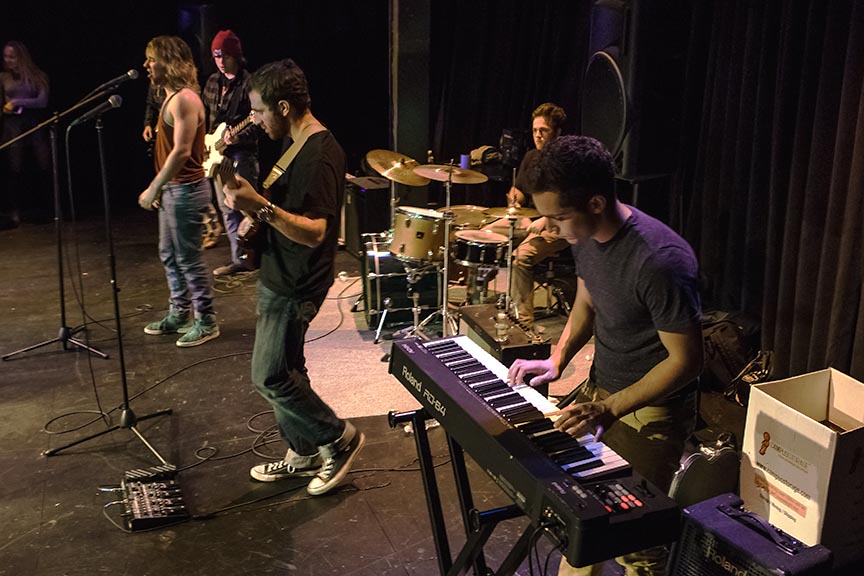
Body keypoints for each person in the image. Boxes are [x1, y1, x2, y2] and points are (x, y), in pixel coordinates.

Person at [507, 136, 703, 576]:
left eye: (558, 217)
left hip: (651, 412)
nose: (548, 228)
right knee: (583, 518)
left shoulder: (660, 261)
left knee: (636, 543)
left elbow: (687, 361)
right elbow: (588, 299)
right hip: (602, 390)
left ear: (596, 203)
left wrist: (610, 408)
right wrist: (558, 359)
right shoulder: (584, 235)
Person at [222, 59, 364, 496]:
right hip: (279, 271)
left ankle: (339, 439)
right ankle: (303, 453)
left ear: (283, 107)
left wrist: (260, 208)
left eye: (260, 111)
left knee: (270, 376)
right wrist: (254, 210)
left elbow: (316, 231)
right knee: (289, 369)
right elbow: (287, 205)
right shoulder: (295, 144)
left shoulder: (320, 154)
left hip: (297, 281)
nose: (255, 121)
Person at [138, 35, 219, 347]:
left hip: (186, 190)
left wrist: (153, 187)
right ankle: (180, 312)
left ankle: (206, 321)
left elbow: (182, 152)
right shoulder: (171, 97)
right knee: (170, 255)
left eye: (152, 59)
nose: (146, 65)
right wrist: (162, 187)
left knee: (188, 259)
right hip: (174, 190)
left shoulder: (185, 99)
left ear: (169, 62)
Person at [484, 102, 570, 328]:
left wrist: (545, 219)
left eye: (544, 130)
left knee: (520, 258)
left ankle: (524, 324)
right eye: (534, 130)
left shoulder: (567, 161)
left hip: (558, 225)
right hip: (529, 220)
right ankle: (477, 302)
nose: (538, 135)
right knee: (483, 236)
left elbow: (570, 202)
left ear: (557, 133)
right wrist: (515, 203)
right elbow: (519, 189)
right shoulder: (531, 157)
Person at [203, 29, 259, 276]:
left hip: (241, 154)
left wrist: (239, 136)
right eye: (216, 56)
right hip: (217, 154)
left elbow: (258, 122)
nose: (220, 61)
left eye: (225, 56)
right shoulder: (212, 83)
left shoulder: (249, 83)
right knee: (227, 207)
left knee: (247, 206)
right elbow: (207, 118)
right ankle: (239, 259)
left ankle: (257, 257)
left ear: (236, 55)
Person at [0, 40, 51, 228]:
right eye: (5, 56)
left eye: (12, 57)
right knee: (15, 169)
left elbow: (42, 101)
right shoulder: (3, 77)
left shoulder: (38, 76)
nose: (8, 60)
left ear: (21, 57)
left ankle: (47, 209)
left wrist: (17, 102)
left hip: (34, 123)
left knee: (43, 165)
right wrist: (7, 107)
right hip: (13, 125)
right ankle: (15, 212)